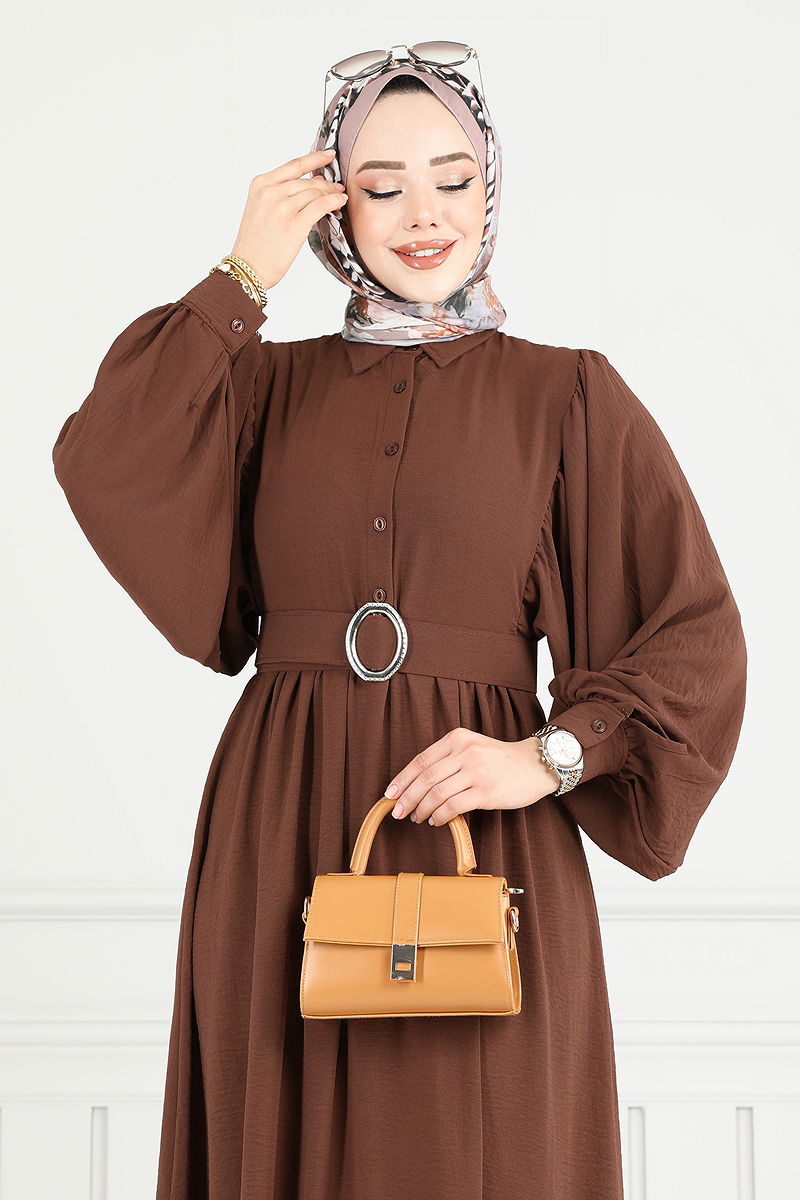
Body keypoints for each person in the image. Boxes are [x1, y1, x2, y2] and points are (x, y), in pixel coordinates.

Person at [51, 43, 747, 1200]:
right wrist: (240, 275)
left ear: (491, 186)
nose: (423, 216)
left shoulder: (567, 395)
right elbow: (105, 457)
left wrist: (545, 757)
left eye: (452, 180)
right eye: (380, 187)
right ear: (335, 205)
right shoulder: (262, 386)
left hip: (482, 838)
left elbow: (693, 638)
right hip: (280, 826)